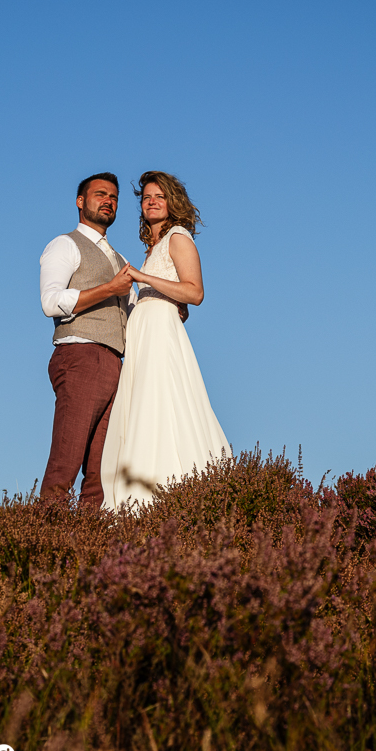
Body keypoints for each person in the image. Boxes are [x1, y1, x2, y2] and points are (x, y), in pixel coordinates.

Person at [100, 171, 232, 509]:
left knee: (162, 402)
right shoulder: (152, 247)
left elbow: (195, 292)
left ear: (172, 203)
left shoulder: (178, 237)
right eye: (146, 198)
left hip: (160, 332)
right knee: (141, 406)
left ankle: (168, 488)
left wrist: (143, 278)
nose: (152, 201)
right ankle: (142, 491)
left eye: (159, 196)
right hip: (142, 334)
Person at [38, 173, 136, 508]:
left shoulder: (120, 260)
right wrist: (109, 289)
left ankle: (89, 548)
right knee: (67, 459)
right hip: (80, 355)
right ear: (81, 201)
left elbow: (135, 315)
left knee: (101, 472)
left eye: (114, 197)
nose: (108, 200)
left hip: (115, 363)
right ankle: (45, 541)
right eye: (100, 194)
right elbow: (50, 302)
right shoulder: (64, 244)